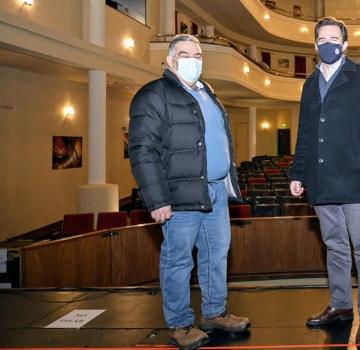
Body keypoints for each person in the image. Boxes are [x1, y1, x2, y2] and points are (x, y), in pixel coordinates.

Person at [128, 34, 249, 350]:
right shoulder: (154, 95)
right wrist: (157, 199)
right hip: (179, 194)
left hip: (215, 192)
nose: (193, 59)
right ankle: (181, 324)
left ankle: (214, 313)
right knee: (179, 260)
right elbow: (142, 149)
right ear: (169, 60)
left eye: (198, 55)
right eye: (184, 54)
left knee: (216, 254)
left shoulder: (208, 93)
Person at [290, 17, 360, 345]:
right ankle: (342, 306)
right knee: (334, 246)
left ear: (345, 44)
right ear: (315, 45)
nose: (328, 43)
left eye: (334, 38)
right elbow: (305, 133)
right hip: (321, 180)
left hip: (356, 178)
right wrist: (298, 172)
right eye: (322, 39)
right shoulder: (309, 83)